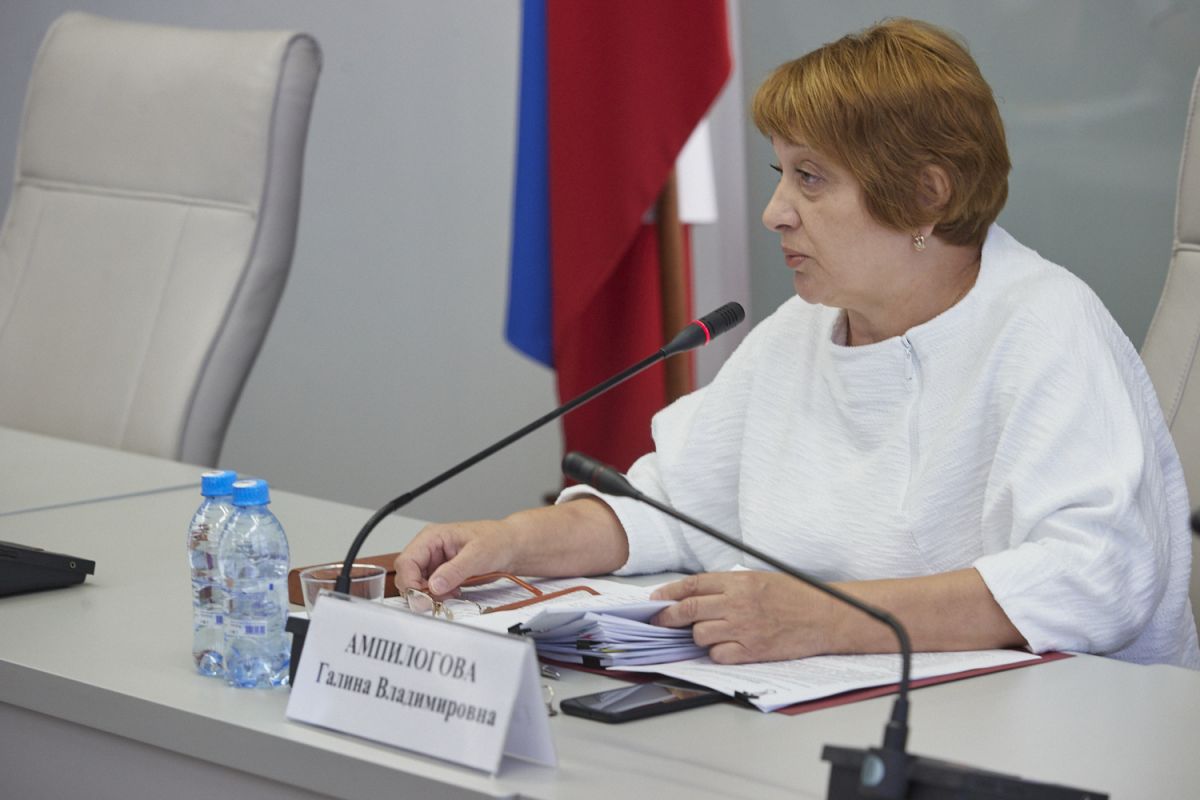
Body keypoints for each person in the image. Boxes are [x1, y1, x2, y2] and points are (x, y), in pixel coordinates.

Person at [393, 18, 1200, 668]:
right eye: (779, 173)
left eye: (810, 178)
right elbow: (668, 508)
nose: (776, 212)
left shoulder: (1047, 326)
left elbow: (1096, 580)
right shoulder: (801, 331)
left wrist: (826, 619)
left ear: (926, 196)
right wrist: (508, 543)